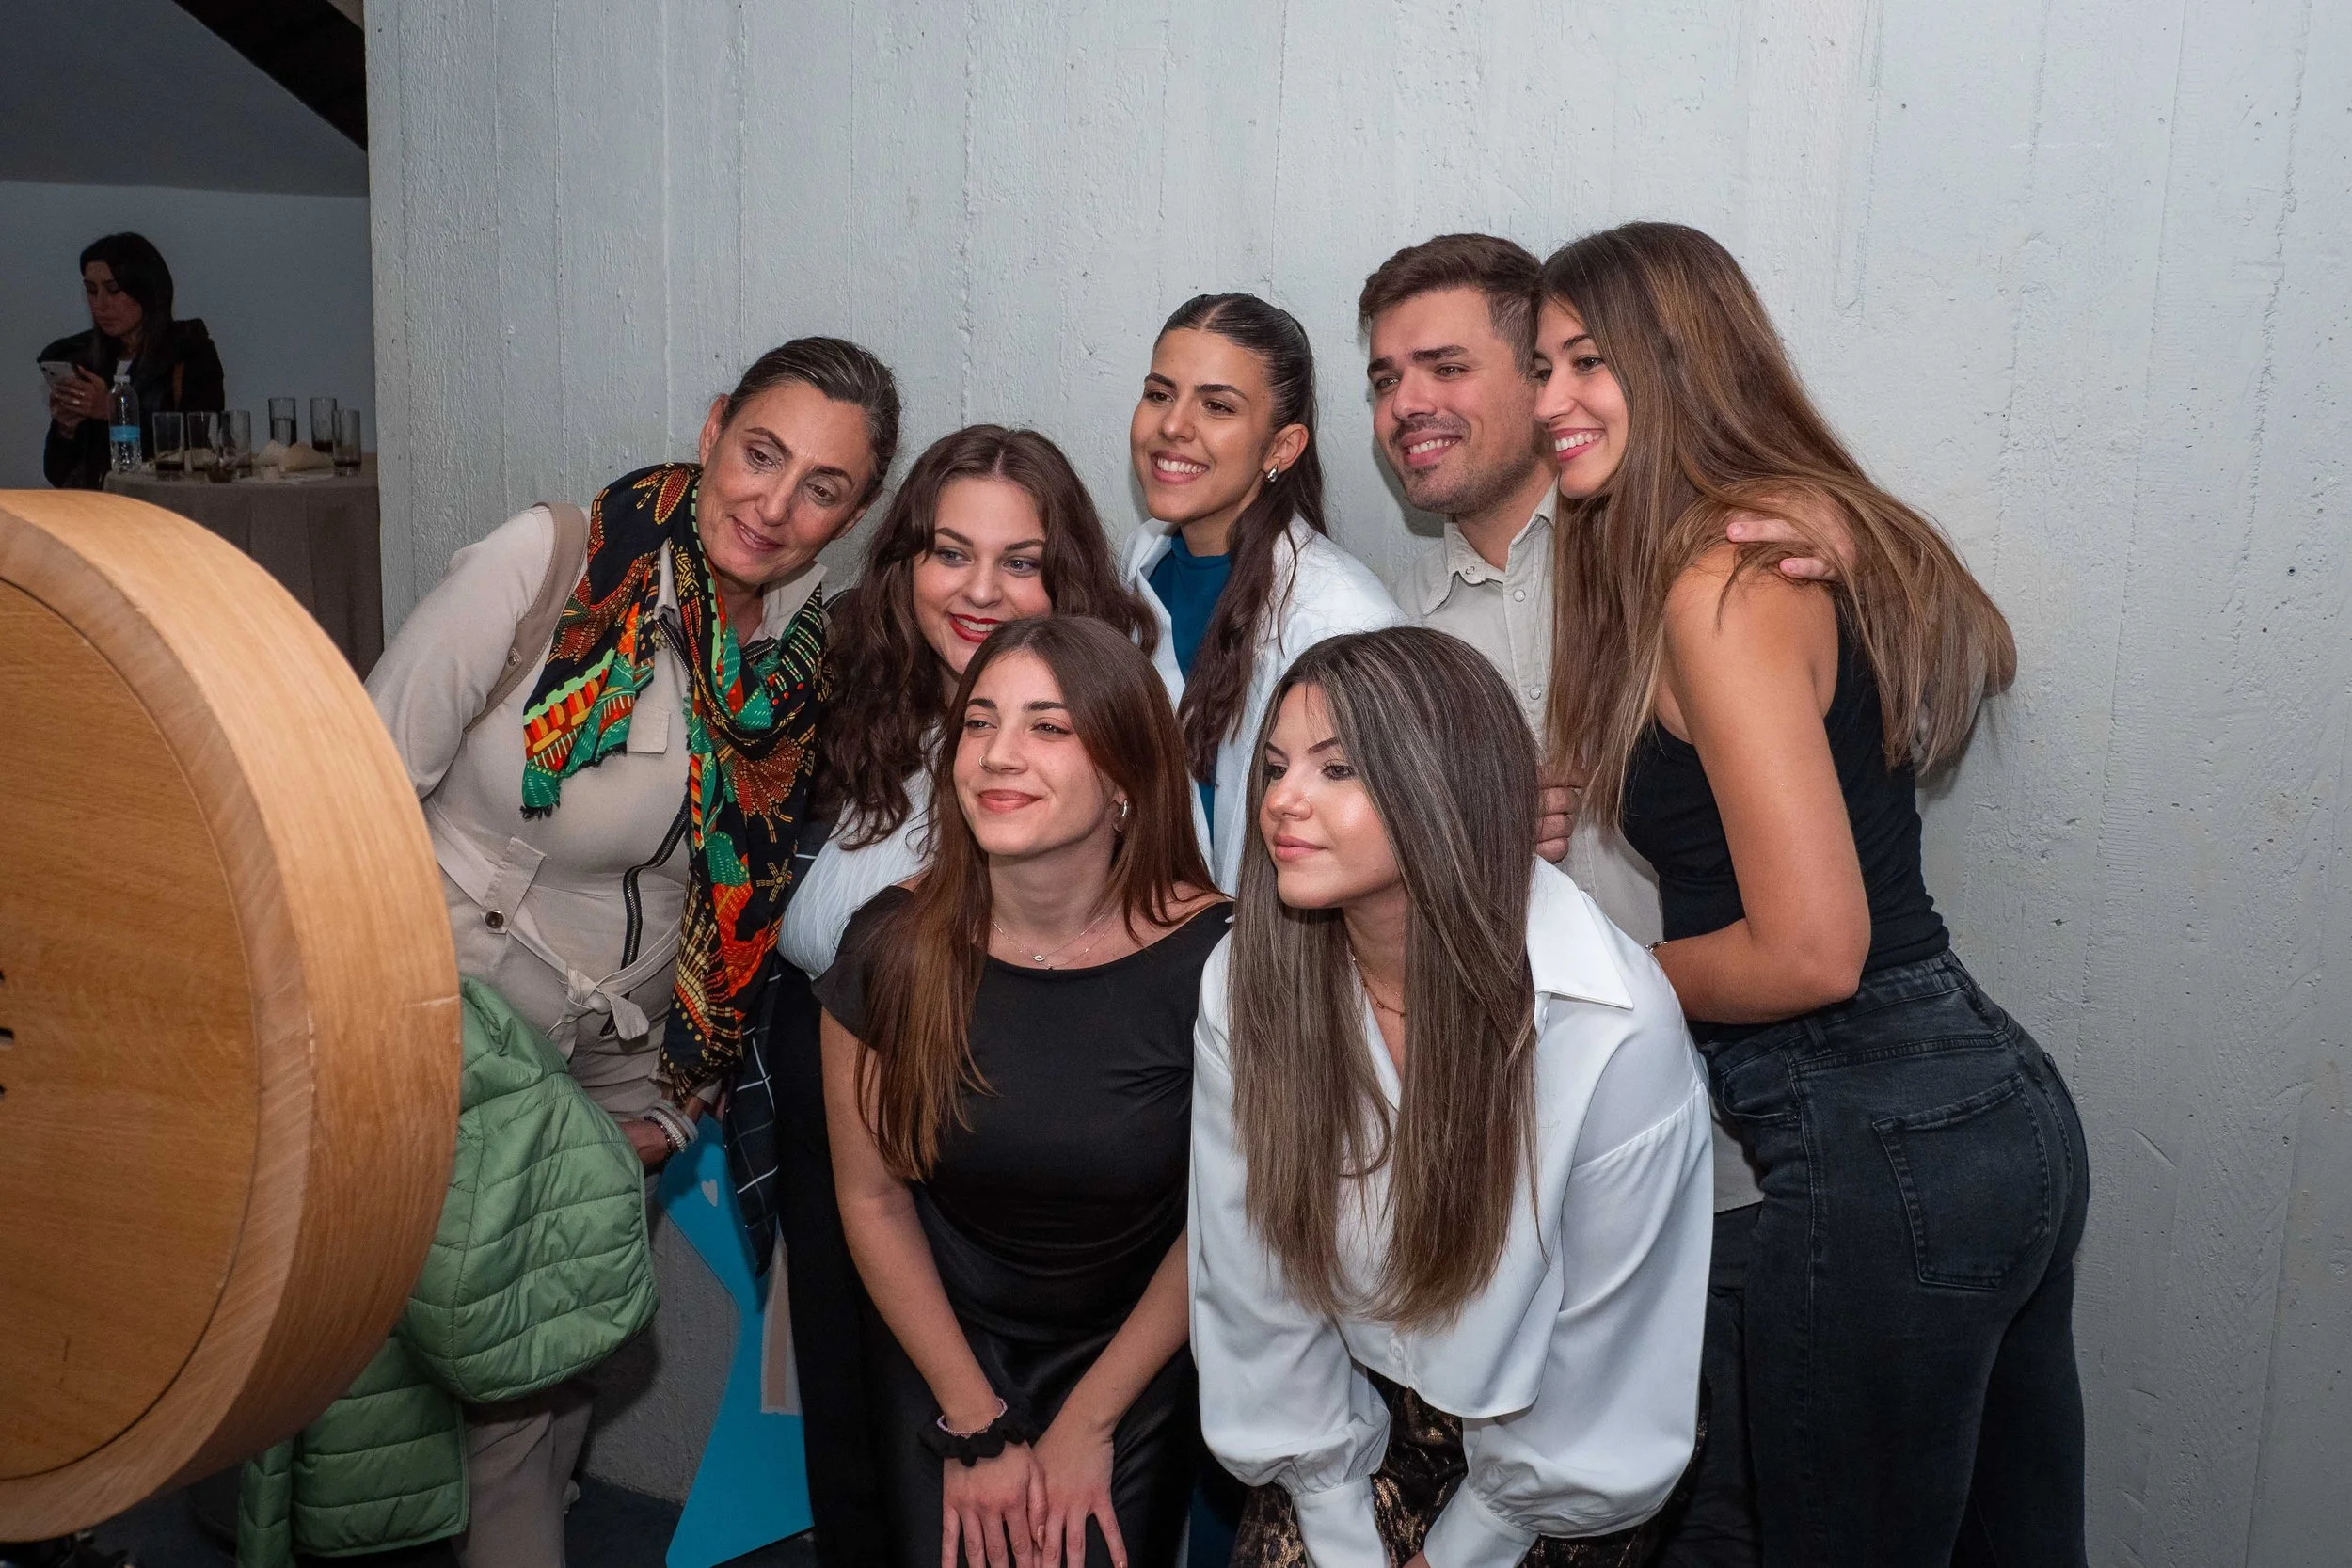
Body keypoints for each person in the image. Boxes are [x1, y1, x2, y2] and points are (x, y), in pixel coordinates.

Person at [1534, 220, 2089, 1567]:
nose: (1551, 399)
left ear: (1679, 361)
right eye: (1540, 365)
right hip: (1986, 1105)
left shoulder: (1719, 581)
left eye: (1587, 360)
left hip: (1874, 1133)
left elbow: (1810, 950)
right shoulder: (1763, 558)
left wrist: (1598, 977)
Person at [367, 335, 901, 1568]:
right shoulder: (556, 562)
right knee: (507, 1388)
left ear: (855, 513)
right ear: (712, 428)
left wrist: (680, 1095)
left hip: (630, 1055)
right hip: (461, 1032)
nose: (774, 503)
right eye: (760, 453)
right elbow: (358, 785)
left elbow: (736, 905)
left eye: (822, 486)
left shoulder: (808, 663)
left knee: (566, 1353)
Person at [1359, 230, 1851, 1561]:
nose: (1407, 402)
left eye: (1447, 364)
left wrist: (1843, 535)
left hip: (1737, 1166)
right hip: (1518, 1193)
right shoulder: (1391, 632)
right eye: (1385, 377)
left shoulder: (1669, 554)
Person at [1190, 626, 1714, 1565]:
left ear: (1446, 784)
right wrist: (1340, 1521)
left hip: (1563, 1447)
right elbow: (1254, 1284)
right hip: (1339, 1415)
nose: (1281, 800)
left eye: (1337, 768)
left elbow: (1606, 1353)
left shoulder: (1606, 1023)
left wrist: (1467, 1543)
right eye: (1273, 767)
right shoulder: (1245, 980)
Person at [751, 426, 1153, 1568]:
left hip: (985, 1141)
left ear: (1066, 576)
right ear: (906, 563)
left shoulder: (1101, 727)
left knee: (989, 1486)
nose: (979, 590)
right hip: (831, 1114)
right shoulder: (853, 700)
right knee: (853, 1452)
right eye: (949, 551)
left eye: (1019, 561)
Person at [818, 615, 1226, 1568]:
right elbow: (872, 1199)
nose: (999, 754)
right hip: (941, 1344)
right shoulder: (889, 945)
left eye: (1048, 726)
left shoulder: (1218, 961)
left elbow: (1222, 1221)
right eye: (980, 722)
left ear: (1125, 773)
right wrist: (974, 1420)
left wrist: (1090, 1422)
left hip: (1137, 1352)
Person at [1123, 293, 1403, 890]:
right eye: (1159, 394)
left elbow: (1375, 848)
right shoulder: (1137, 566)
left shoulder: (1340, 618)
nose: (1172, 426)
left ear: (1281, 448)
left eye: (1217, 406)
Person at [40, 231, 224, 489]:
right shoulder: (86, 359)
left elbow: (196, 455)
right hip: (98, 506)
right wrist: (66, 430)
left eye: (113, 290)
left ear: (146, 290)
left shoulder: (190, 354)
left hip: (160, 507)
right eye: (91, 291)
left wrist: (112, 411)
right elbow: (58, 474)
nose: (100, 304)